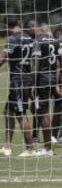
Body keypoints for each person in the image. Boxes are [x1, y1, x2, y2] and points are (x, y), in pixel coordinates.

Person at [0, 16, 36, 157]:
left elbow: (3, 58)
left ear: (7, 26)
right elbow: (33, 61)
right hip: (26, 79)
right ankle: (7, 146)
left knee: (21, 115)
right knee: (8, 111)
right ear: (19, 23)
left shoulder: (12, 39)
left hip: (18, 81)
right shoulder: (28, 37)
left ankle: (30, 148)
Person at [31, 22, 62, 155]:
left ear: (40, 29)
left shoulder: (39, 40)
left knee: (43, 112)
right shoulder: (56, 41)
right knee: (51, 110)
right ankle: (51, 142)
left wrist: (34, 83)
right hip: (53, 79)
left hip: (42, 80)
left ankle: (47, 148)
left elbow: (36, 62)